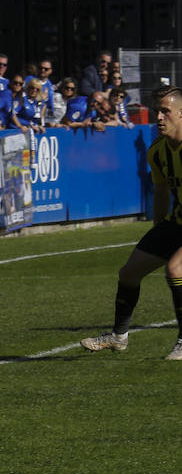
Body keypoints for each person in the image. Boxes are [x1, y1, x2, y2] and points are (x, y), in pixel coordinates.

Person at [83, 87, 182, 359]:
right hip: (177, 222)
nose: (159, 117)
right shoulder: (158, 151)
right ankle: (118, 337)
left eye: (165, 111)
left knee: (175, 270)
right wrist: (159, 229)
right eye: (157, 111)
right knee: (129, 273)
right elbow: (161, 191)